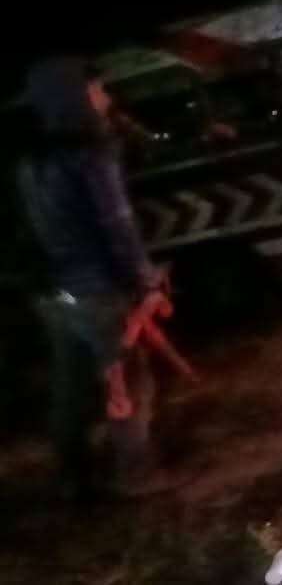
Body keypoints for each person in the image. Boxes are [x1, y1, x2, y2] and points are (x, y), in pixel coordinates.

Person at [14, 57, 166, 501]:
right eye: (99, 91)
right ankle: (135, 479)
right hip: (97, 290)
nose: (107, 99)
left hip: (53, 294)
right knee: (128, 382)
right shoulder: (90, 154)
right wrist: (146, 282)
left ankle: (70, 477)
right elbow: (118, 225)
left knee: (70, 386)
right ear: (76, 99)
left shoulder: (29, 161)